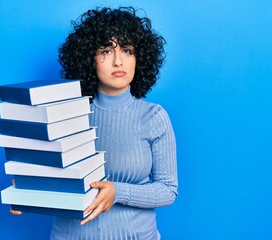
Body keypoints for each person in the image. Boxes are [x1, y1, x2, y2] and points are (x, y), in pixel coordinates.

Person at [12, 6, 178, 240]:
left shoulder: (154, 117)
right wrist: (27, 190)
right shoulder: (65, 113)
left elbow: (167, 191)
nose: (118, 61)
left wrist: (118, 192)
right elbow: (50, 172)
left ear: (139, 58)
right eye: (106, 51)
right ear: (89, 58)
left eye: (127, 50)